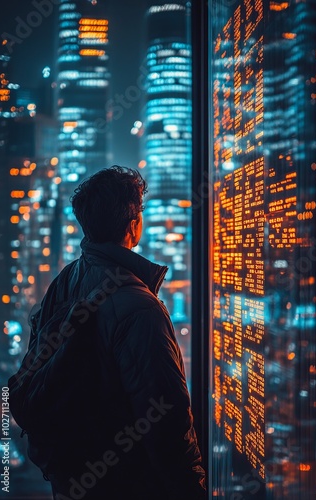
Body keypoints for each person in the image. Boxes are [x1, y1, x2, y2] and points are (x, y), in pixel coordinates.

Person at [28, 166, 206, 500]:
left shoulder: (65, 281)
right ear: (133, 223)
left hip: (72, 478)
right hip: (128, 484)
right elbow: (167, 422)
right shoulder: (141, 308)